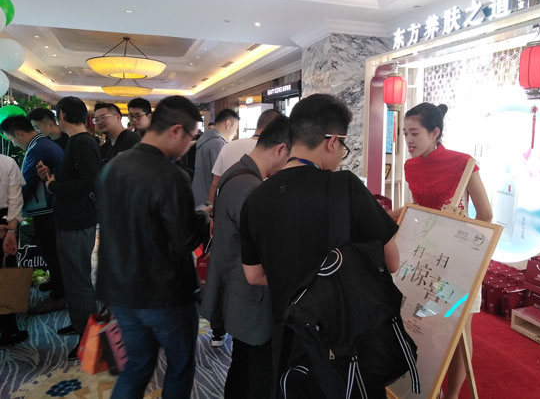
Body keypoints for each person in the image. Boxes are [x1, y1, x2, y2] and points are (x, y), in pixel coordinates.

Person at [240, 94, 400, 398]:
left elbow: (253, 275)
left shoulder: (255, 197)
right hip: (346, 338)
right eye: (343, 147)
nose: (341, 155)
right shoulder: (345, 187)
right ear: (332, 141)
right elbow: (391, 262)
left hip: (290, 337)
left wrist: (295, 278)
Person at [96, 95, 211, 399]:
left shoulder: (113, 166)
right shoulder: (171, 175)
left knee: (136, 366)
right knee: (180, 365)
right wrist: (202, 218)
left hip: (121, 290)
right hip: (165, 293)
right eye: (191, 136)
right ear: (175, 130)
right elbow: (184, 240)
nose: (189, 144)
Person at [398, 102, 492, 399]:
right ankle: (430, 386)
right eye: (405, 134)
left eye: (414, 133)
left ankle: (451, 395)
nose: (408, 140)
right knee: (424, 324)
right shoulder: (411, 166)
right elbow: (419, 209)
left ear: (435, 132)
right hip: (426, 254)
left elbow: (486, 214)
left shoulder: (463, 162)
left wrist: (468, 244)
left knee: (459, 328)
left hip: (459, 256)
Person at [201, 115, 290, 399]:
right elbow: (266, 248)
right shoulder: (252, 188)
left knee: (242, 367)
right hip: (250, 296)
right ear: (280, 149)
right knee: (256, 374)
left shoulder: (236, 171)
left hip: (235, 287)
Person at [36, 96, 101, 359]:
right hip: (71, 220)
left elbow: (88, 183)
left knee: (79, 281)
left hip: (77, 222)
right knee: (74, 280)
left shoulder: (83, 142)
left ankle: (90, 339)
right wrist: (52, 177)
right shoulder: (75, 141)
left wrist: (53, 186)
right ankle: (80, 326)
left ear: (62, 115)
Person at [0, 116, 65, 315]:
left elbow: (25, 185)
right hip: (51, 208)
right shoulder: (44, 144)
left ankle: (59, 295)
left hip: (47, 210)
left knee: (51, 252)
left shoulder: (37, 148)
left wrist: (14, 213)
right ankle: (57, 285)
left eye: (12, 139)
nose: (13, 144)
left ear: (18, 133)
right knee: (51, 251)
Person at [207, 108, 280, 203]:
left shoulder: (228, 146)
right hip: (256, 205)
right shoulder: (272, 151)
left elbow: (215, 184)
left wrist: (212, 208)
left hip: (226, 204)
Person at [0, 154, 28, 347]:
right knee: (6, 275)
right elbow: (15, 200)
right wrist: (11, 230)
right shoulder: (7, 162)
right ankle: (9, 330)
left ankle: (9, 329)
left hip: (5, 224)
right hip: (6, 223)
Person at [192, 108, 239, 207]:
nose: (235, 133)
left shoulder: (205, 139)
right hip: (208, 201)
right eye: (236, 128)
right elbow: (220, 178)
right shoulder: (218, 143)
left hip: (198, 196)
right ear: (228, 123)